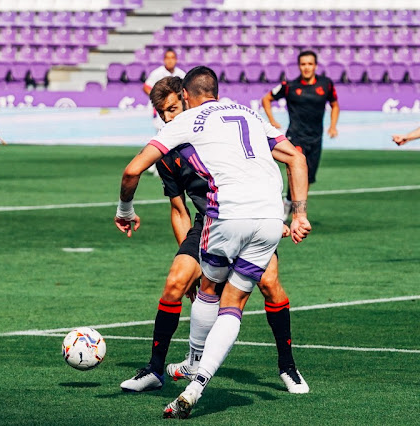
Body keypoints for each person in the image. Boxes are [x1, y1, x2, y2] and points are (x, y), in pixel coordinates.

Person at [113, 66, 311, 419]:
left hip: (228, 215)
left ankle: (286, 365)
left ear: (185, 97)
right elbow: (179, 210)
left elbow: (130, 171)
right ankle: (160, 370)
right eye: (163, 113)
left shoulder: (189, 125)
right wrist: (296, 212)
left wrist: (124, 209)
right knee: (180, 282)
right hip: (242, 217)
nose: (168, 117)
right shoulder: (239, 117)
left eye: (174, 108)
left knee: (266, 286)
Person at [261, 50, 339, 220]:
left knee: (308, 177)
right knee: (297, 171)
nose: (307, 67)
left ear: (315, 66)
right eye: (303, 64)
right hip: (296, 136)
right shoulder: (289, 86)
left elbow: (335, 105)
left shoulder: (326, 84)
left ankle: (290, 202)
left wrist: (333, 126)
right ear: (299, 66)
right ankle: (298, 212)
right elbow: (266, 99)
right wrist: (272, 120)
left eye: (310, 64)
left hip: (316, 137)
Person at [142, 49, 186, 176]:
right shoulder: (158, 73)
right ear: (164, 60)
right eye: (167, 58)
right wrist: (158, 99)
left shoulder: (180, 73)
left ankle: (166, 164)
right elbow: (146, 86)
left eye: (172, 58)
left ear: (176, 60)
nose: (170, 60)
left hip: (175, 112)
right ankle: (158, 164)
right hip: (161, 111)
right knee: (161, 135)